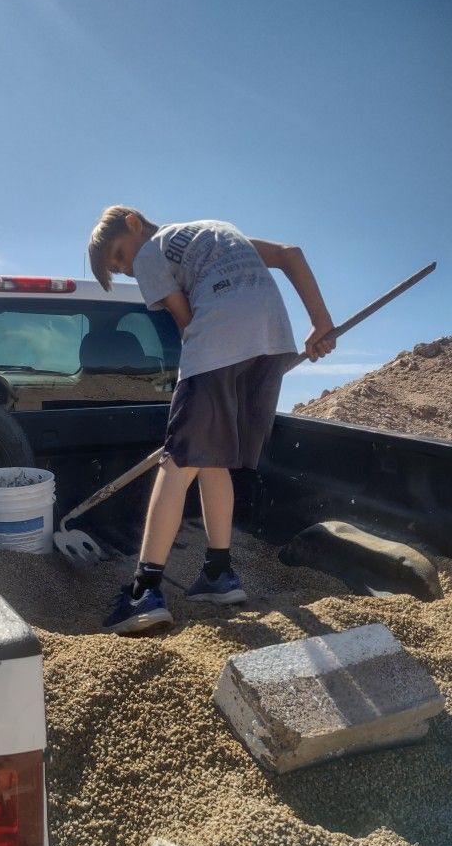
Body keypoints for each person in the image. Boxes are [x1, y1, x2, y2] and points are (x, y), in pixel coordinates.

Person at [87, 206, 336, 635]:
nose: (128, 268)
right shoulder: (217, 231)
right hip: (272, 343)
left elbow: (185, 321)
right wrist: (321, 322)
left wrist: (201, 368)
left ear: (133, 223)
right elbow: (290, 254)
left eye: (120, 257)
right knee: (212, 459)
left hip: (218, 343)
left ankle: (144, 590)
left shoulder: (150, 251)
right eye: (120, 269)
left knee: (177, 461)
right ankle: (219, 574)